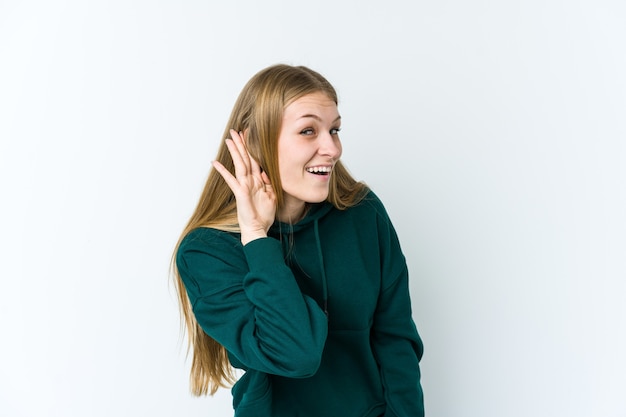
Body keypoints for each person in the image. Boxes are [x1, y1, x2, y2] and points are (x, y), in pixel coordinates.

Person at [172, 64, 425, 416]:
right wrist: (257, 240)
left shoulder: (363, 213)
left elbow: (395, 339)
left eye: (334, 130)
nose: (332, 148)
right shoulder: (207, 251)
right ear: (254, 140)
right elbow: (296, 354)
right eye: (308, 131)